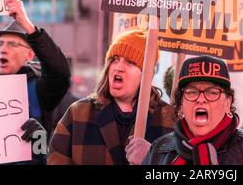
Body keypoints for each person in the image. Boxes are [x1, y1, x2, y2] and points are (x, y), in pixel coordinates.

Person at [48, 29, 175, 165]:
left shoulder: (168, 119)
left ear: (147, 74)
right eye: (115, 60)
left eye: (130, 62)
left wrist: (153, 158)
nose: (118, 68)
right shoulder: (78, 113)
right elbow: (56, 159)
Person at [143, 55, 243, 165]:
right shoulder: (159, 149)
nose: (201, 99)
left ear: (228, 103)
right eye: (191, 92)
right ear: (181, 104)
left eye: (213, 92)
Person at [0, 0, 71, 164]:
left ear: (30, 54)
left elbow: (60, 73)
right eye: (0, 43)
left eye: (12, 44)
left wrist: (27, 25)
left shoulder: (38, 90)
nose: (3, 49)